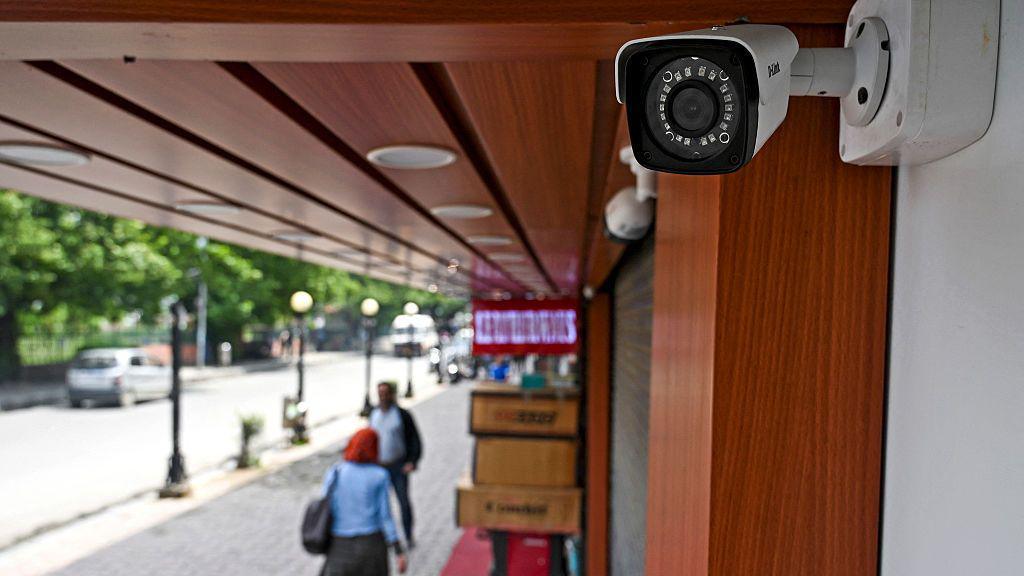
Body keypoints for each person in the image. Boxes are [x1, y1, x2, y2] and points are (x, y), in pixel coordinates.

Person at [321, 428, 408, 576]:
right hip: (371, 545)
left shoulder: (335, 473)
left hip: (339, 546)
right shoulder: (379, 475)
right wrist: (398, 549)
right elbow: (385, 516)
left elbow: (327, 508)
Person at [368, 381, 422, 548]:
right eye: (380, 394)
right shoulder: (374, 414)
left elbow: (415, 439)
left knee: (403, 502)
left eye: (386, 393)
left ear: (391, 395)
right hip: (379, 467)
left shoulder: (402, 415)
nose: (383, 397)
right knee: (380, 504)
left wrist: (412, 461)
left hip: (398, 466)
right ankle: (385, 537)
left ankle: (408, 535)